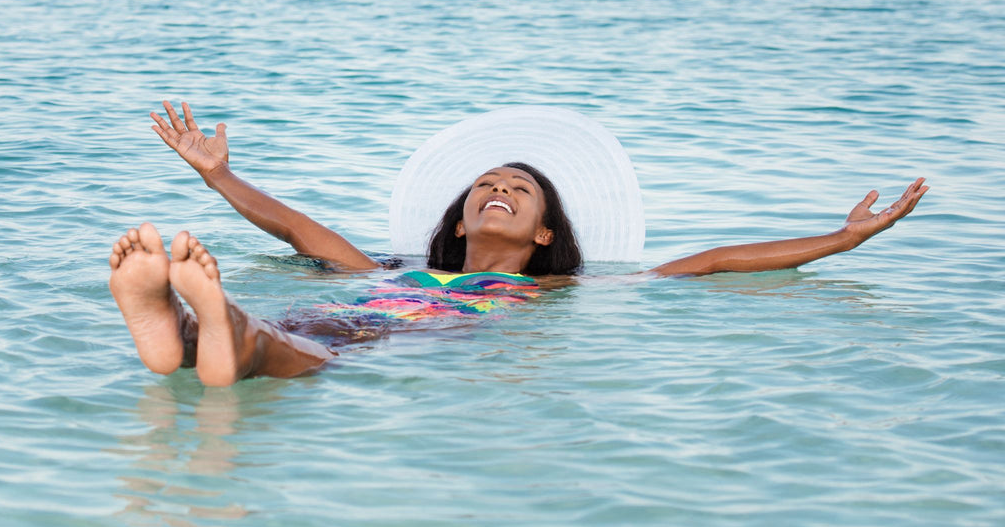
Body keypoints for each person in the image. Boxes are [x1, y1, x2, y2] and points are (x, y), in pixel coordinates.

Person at [109, 101, 928, 386]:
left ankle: (210, 331)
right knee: (302, 336)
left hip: (396, 336)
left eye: (520, 188)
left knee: (298, 346)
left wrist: (839, 241)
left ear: (543, 233)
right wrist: (219, 176)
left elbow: (711, 263)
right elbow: (294, 227)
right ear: (460, 220)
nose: (497, 188)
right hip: (357, 313)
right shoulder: (395, 265)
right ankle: (190, 328)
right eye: (485, 185)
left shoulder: (559, 291)